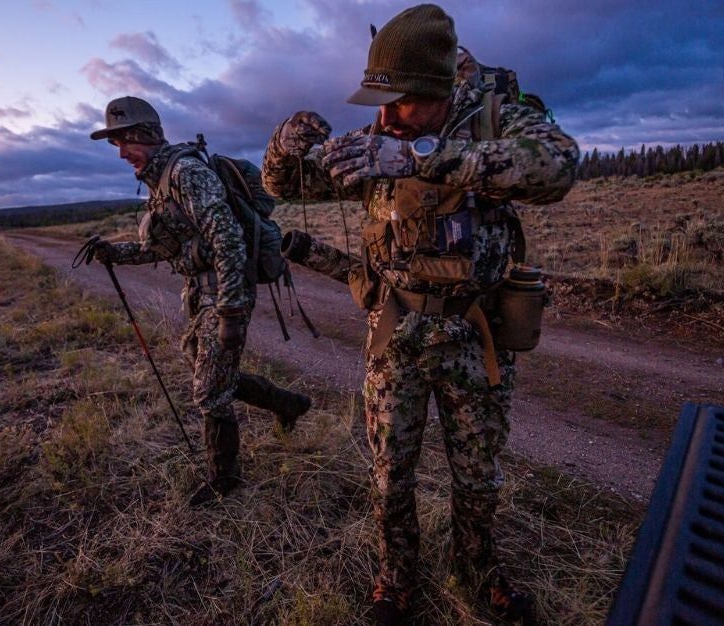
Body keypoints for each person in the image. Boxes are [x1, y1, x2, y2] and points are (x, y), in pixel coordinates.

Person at [261, 4, 579, 624]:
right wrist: (284, 143)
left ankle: (479, 572)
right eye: (378, 104)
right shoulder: (376, 140)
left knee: (478, 476)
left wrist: (422, 160)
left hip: (472, 334)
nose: (384, 120)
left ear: (439, 91)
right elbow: (286, 185)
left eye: (401, 102)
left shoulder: (492, 120)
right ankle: (396, 579)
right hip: (395, 335)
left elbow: (559, 165)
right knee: (390, 473)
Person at [88, 96, 312, 507]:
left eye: (125, 142)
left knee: (209, 389)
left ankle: (224, 480)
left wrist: (228, 311)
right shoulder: (158, 180)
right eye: (115, 144)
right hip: (201, 292)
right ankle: (291, 404)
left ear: (148, 136)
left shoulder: (186, 173)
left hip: (224, 291)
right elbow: (168, 247)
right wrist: (114, 252)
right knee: (210, 370)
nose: (121, 153)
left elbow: (227, 241)